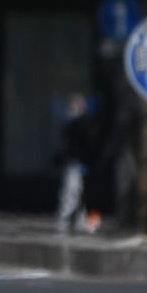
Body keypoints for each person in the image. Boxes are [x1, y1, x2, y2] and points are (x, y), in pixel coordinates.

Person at [56, 94, 95, 235]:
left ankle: (77, 222)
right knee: (73, 192)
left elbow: (84, 144)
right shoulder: (73, 125)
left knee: (75, 192)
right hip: (75, 164)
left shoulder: (79, 125)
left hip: (77, 164)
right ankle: (68, 221)